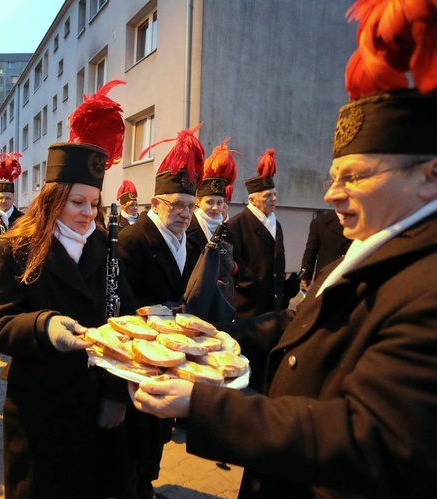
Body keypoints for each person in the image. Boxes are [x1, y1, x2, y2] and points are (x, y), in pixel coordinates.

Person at [130, 3, 437, 496]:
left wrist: (202, 404)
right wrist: (203, 338)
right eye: (334, 176)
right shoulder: (370, 250)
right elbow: (299, 326)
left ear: (429, 178)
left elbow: (368, 438)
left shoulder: (426, 283)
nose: (332, 195)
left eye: (354, 177)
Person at [0, 80, 135, 498]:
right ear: (53, 199)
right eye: (77, 203)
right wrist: (44, 327)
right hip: (40, 413)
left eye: (94, 203)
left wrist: (117, 395)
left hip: (98, 406)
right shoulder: (13, 247)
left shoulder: (109, 246)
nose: (88, 213)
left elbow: (125, 325)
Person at [118, 125, 205, 498]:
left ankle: (147, 484)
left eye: (191, 206)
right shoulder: (134, 239)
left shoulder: (192, 238)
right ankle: (134, 488)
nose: (186, 214)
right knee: (139, 431)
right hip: (142, 355)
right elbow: (122, 301)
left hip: (173, 353)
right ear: (155, 204)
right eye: (177, 205)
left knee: (159, 431)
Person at [228, 149, 286, 319]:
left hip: (273, 302)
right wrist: (249, 282)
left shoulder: (277, 224)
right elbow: (231, 262)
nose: (274, 199)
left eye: (275, 195)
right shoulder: (235, 225)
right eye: (268, 196)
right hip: (248, 303)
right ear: (252, 199)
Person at [186, 137, 239, 302]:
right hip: (194, 298)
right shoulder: (188, 227)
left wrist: (234, 268)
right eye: (210, 202)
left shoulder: (228, 228)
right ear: (197, 201)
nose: (216, 208)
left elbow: (238, 263)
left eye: (219, 202)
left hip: (223, 298)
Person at [299, 209, 351, 291]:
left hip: (351, 276)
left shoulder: (362, 222)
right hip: (325, 276)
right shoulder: (320, 222)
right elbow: (311, 250)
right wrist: (305, 275)